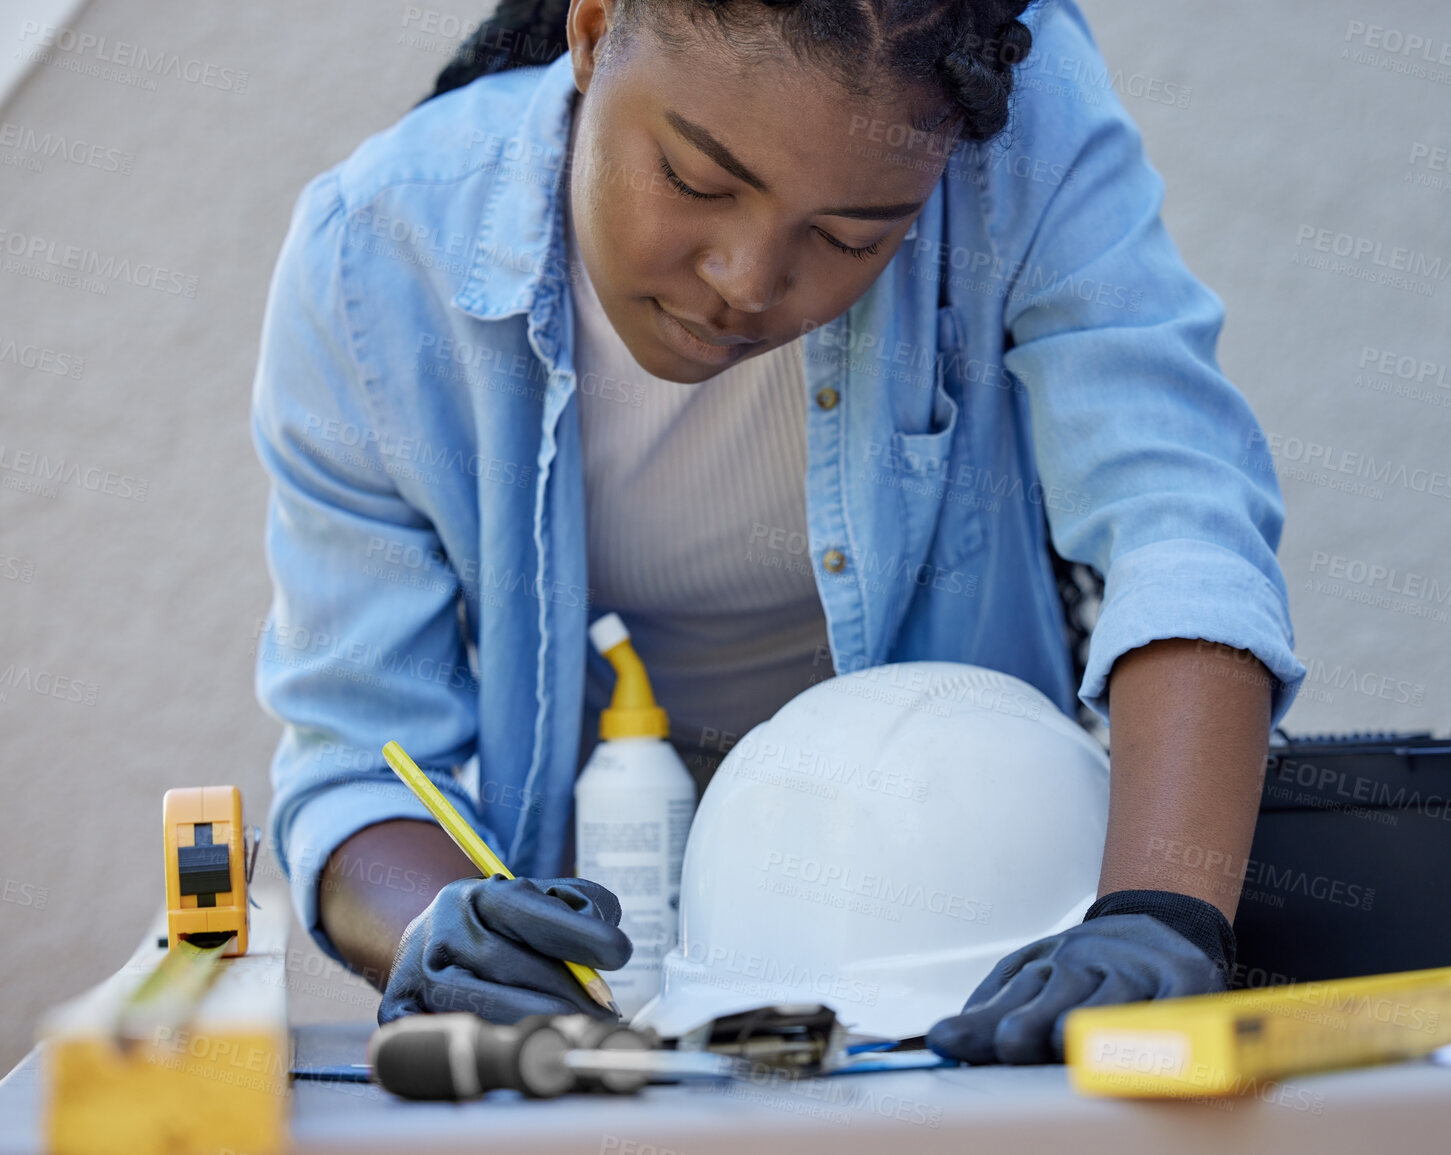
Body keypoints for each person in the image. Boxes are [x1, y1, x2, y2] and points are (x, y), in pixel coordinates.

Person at [252, 0, 1305, 1065]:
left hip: (957, 970)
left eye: (852, 236)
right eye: (697, 182)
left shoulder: (1012, 123)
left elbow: (1178, 512)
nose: (747, 283)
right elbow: (355, 758)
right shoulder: (375, 263)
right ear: (591, 29)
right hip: (614, 1011)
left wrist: (1160, 911)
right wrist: (442, 931)